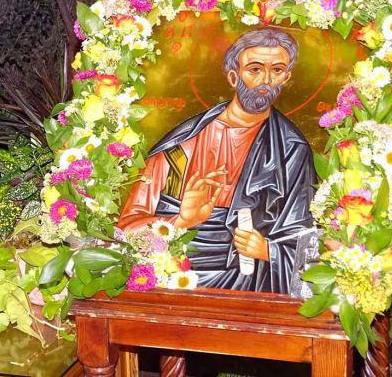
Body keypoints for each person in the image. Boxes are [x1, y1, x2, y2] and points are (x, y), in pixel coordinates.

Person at [118, 27, 315, 294]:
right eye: (255, 69)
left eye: (277, 70)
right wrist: (179, 221)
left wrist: (268, 250)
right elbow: (126, 229)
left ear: (287, 77)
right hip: (171, 280)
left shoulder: (292, 150)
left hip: (246, 287)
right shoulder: (181, 147)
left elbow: (305, 242)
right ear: (234, 76)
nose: (266, 80)